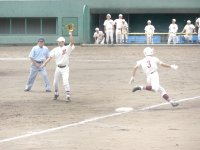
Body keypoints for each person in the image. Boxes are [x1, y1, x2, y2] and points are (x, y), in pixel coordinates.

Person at [42, 32, 75, 102]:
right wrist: (45, 63)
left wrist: (70, 34)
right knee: (55, 82)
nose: (58, 43)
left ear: (63, 42)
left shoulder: (67, 48)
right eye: (58, 42)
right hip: (58, 68)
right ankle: (56, 93)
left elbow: (72, 42)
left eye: (60, 42)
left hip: (65, 68)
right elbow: (50, 57)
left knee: (65, 82)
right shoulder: (55, 49)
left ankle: (68, 95)